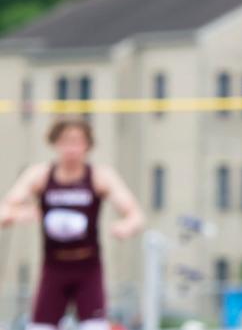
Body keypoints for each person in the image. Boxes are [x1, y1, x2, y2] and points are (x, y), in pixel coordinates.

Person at [0, 118, 144, 330]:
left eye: (77, 141)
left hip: (88, 266)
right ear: (55, 143)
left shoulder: (100, 176)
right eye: (66, 141)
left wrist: (126, 226)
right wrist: (18, 213)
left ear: (87, 145)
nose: (71, 148)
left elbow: (136, 214)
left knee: (95, 326)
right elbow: (5, 209)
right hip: (53, 266)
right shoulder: (39, 175)